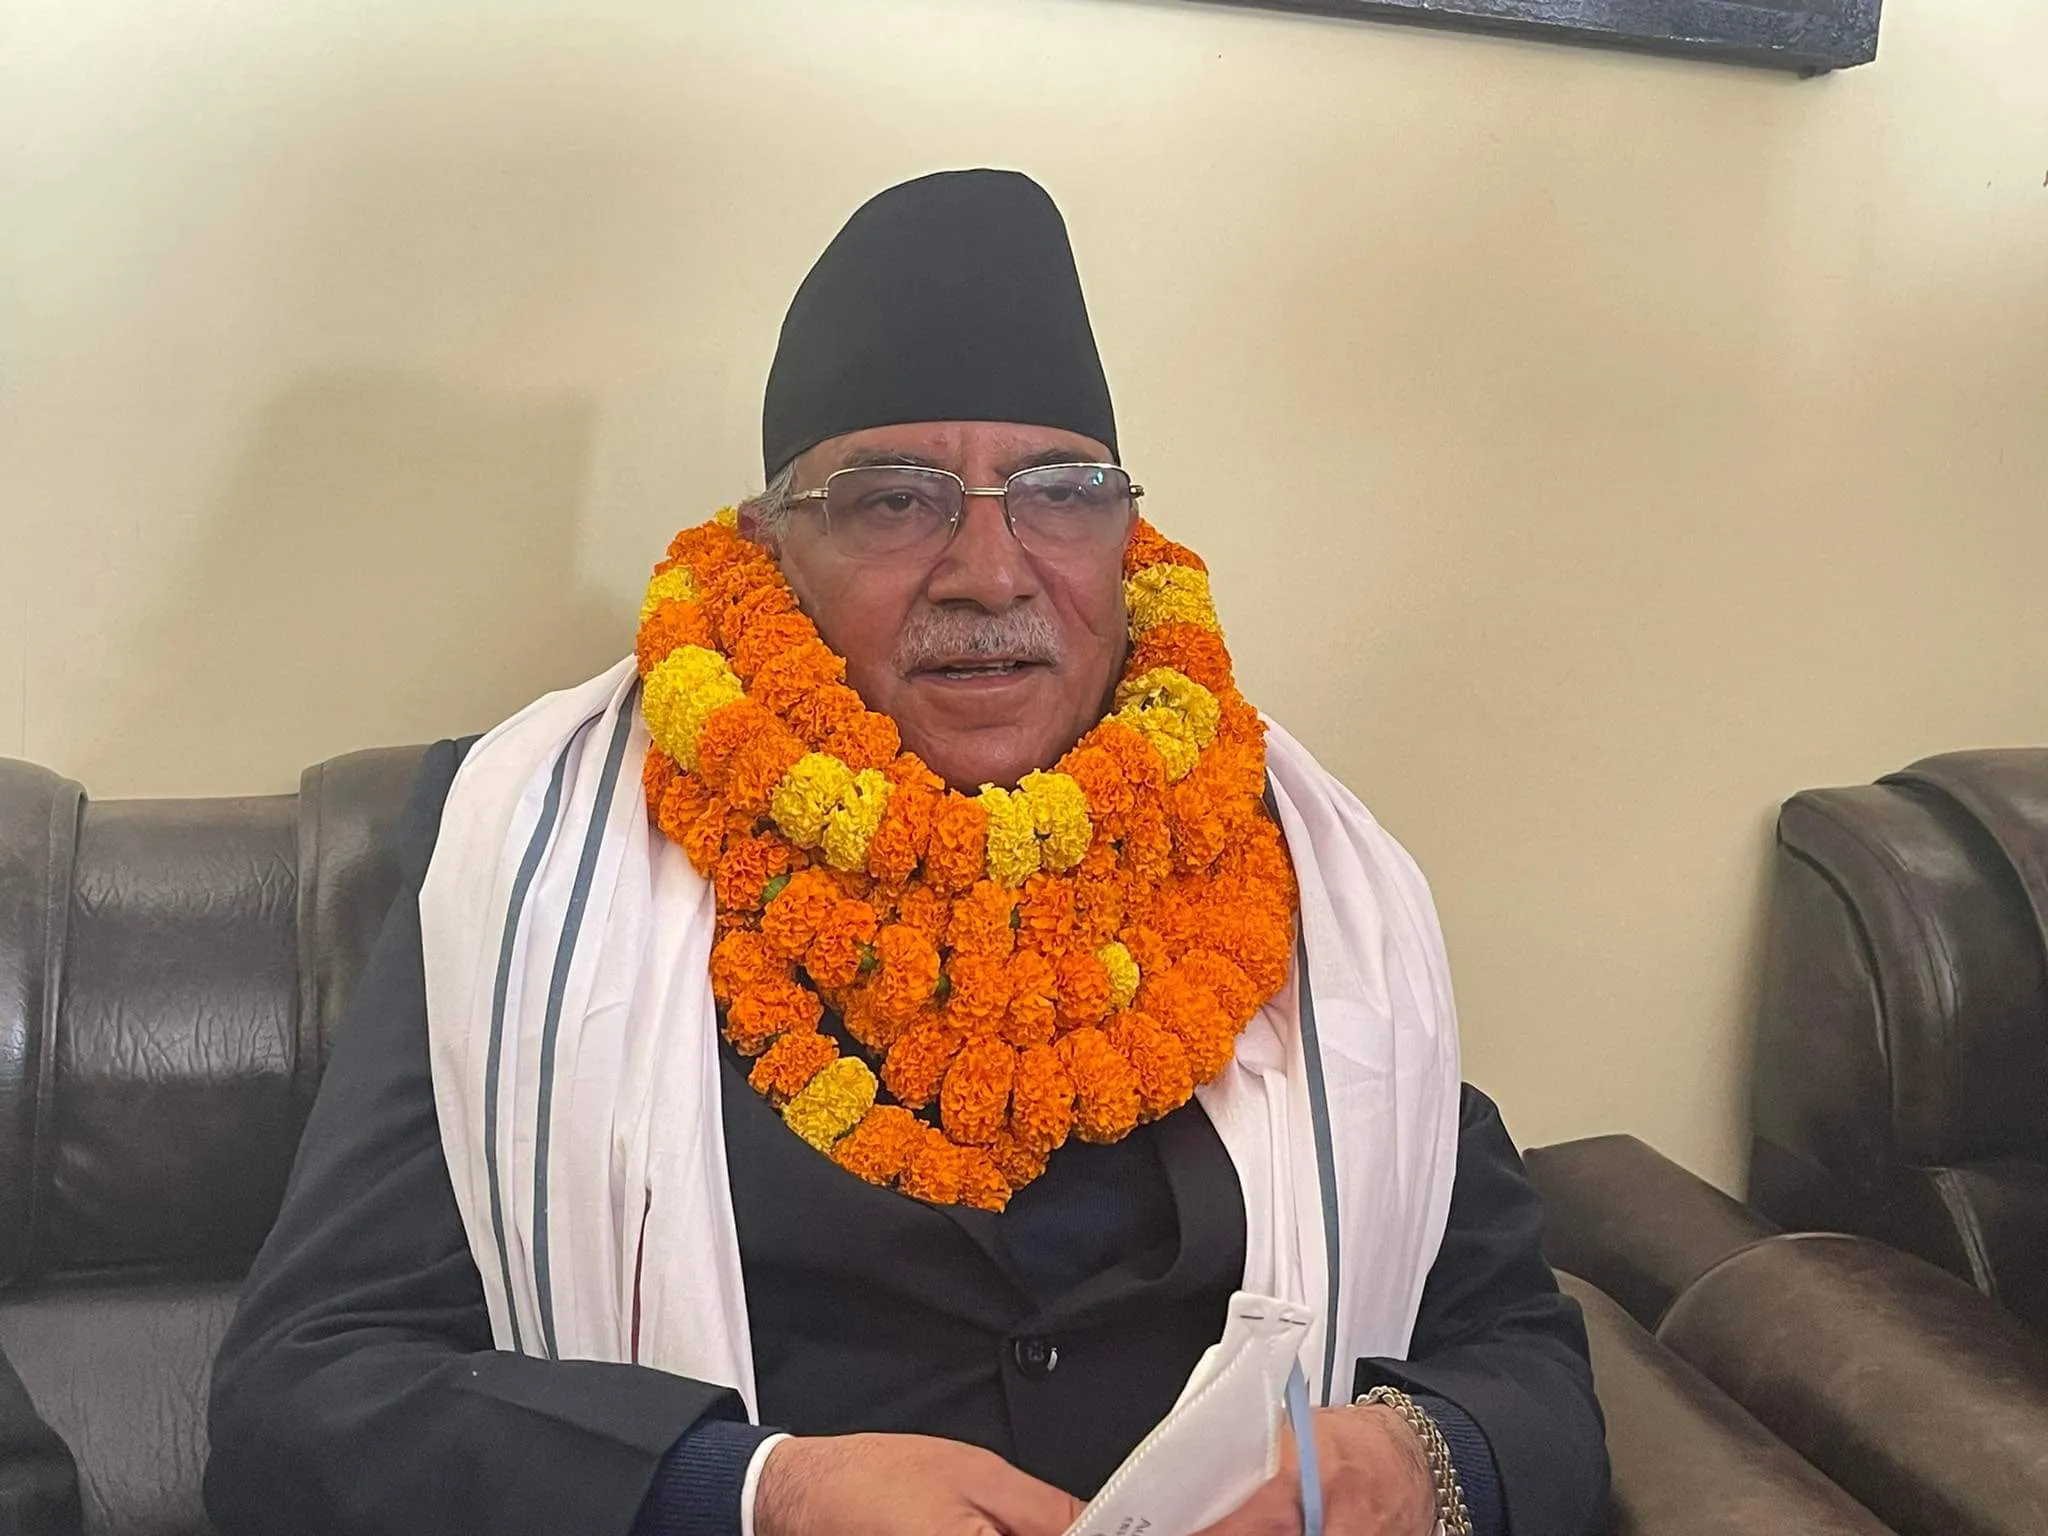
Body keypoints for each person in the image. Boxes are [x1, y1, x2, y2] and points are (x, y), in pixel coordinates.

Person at [205, 169, 1607, 1536]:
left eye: (1058, 493)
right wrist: (752, 1497)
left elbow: (1518, 1356)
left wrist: (1421, 1463)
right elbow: (304, 1405)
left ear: (1129, 541)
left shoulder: (1292, 864)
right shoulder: (525, 855)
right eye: (893, 500)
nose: (990, 573)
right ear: (770, 550)